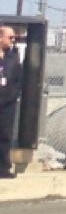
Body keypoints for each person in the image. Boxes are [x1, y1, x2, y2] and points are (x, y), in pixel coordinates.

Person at [0, 25, 21, 179]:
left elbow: (17, 79)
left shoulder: (13, 56)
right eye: (10, 37)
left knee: (5, 135)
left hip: (7, 105)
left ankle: (3, 168)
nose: (13, 41)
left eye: (14, 38)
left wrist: (12, 96)